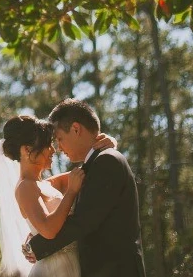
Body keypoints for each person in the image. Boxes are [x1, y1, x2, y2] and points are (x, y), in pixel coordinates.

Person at [25, 99, 146, 277]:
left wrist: (37, 246)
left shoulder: (106, 161)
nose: (58, 148)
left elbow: (84, 221)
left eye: (59, 139)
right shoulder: (94, 165)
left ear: (76, 129)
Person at [0, 115, 113, 276]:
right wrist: (71, 192)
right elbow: (49, 230)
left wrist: (110, 144)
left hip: (70, 266)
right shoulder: (24, 187)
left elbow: (87, 171)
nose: (53, 149)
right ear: (27, 149)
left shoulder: (47, 184)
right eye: (47, 145)